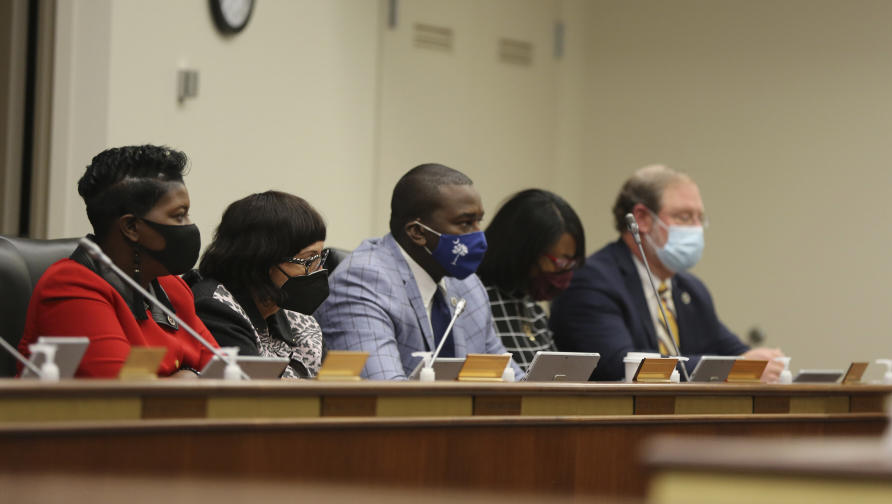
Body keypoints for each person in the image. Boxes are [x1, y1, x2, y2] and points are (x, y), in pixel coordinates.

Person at [550, 164, 785, 382]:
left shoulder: (690, 289)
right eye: (684, 217)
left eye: (699, 218)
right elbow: (621, 364)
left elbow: (731, 349)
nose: (695, 228)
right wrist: (736, 367)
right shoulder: (591, 280)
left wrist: (760, 359)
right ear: (641, 219)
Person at [18, 145, 217, 378]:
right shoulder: (70, 287)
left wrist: (188, 376)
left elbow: (227, 375)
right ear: (131, 227)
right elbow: (126, 399)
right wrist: (189, 376)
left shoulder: (173, 288)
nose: (189, 225)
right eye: (179, 215)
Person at [314, 163, 524, 380]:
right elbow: (383, 392)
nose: (478, 236)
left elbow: (508, 378)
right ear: (417, 232)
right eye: (465, 223)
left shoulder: (468, 285)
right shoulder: (362, 282)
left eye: (478, 221)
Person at [191, 191, 328, 379]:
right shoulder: (215, 309)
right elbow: (254, 397)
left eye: (319, 259)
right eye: (307, 260)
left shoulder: (295, 313)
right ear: (262, 260)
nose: (317, 270)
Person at [477, 189, 586, 372]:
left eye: (572, 262)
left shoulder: (532, 308)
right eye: (561, 262)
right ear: (523, 252)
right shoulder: (476, 300)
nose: (566, 271)